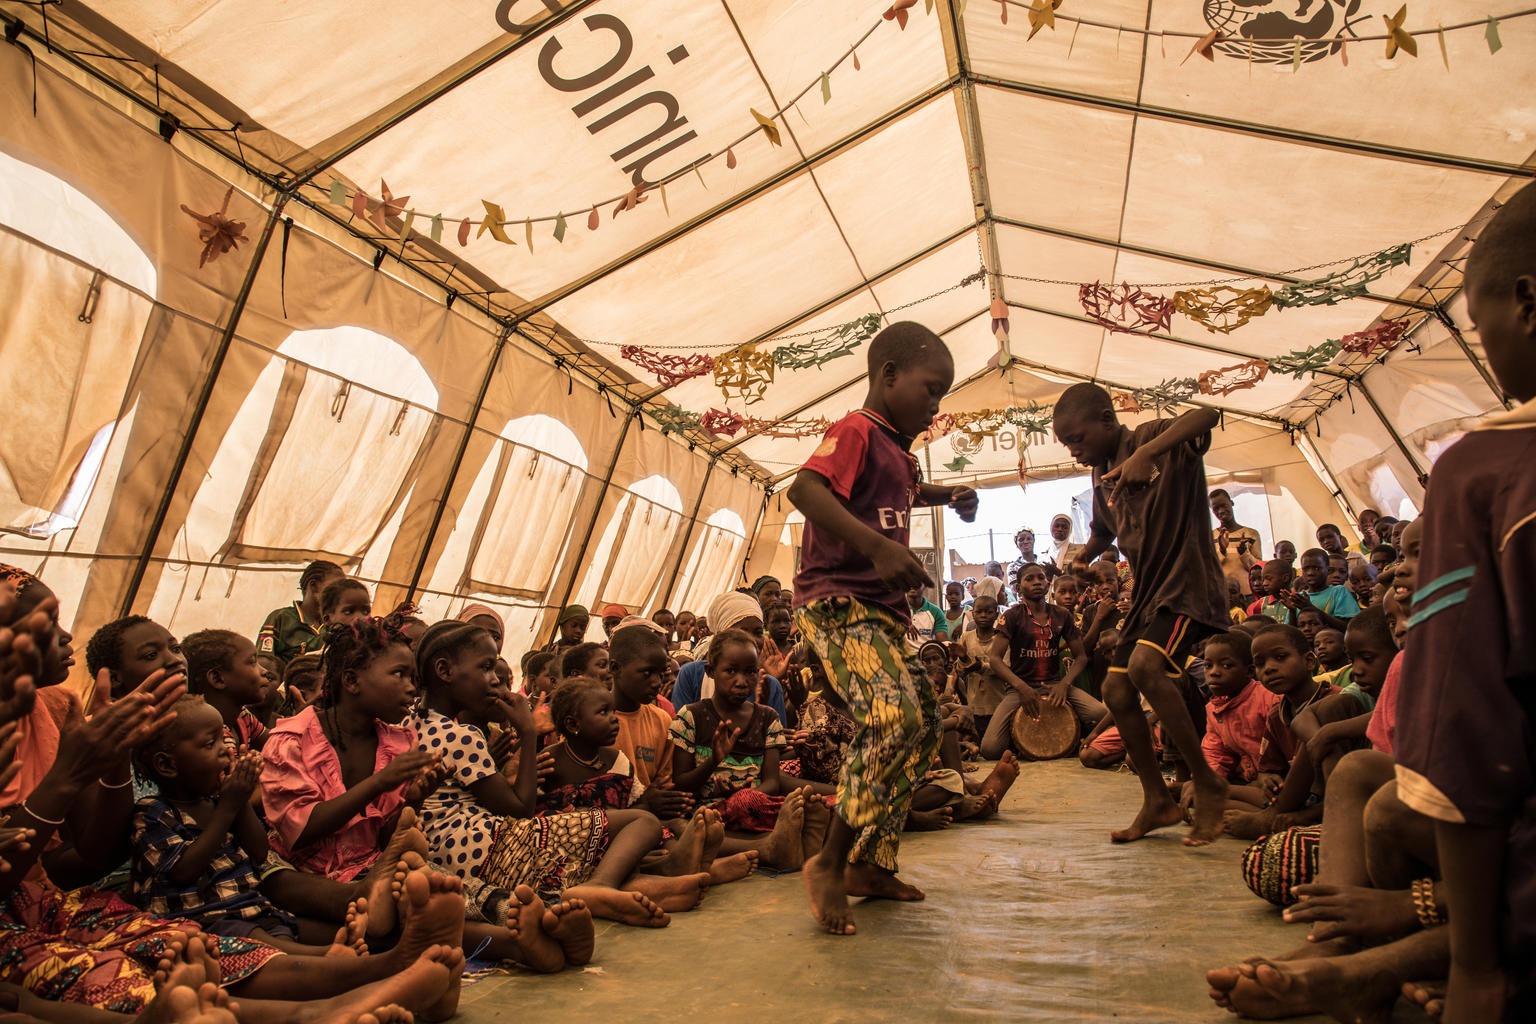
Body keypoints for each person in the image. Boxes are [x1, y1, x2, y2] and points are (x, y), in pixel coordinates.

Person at [1391, 179, 1536, 1024]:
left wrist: (1478, 967)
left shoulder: (1487, 470)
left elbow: (1461, 731)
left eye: (1480, 332)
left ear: (1526, 301)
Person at [788, 321, 978, 935]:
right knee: (893, 717)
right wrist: (875, 548)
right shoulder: (855, 430)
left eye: (942, 394)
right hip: (839, 602)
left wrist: (950, 495)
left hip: (881, 614)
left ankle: (872, 862)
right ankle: (831, 861)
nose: (935, 405)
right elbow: (806, 489)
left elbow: (901, 491)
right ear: (888, 375)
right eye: (930, 389)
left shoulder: (898, 451)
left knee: (923, 725)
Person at [411, 620, 688, 930]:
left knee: (607, 847)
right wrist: (527, 731)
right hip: (485, 852)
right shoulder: (460, 735)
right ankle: (602, 887)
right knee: (642, 822)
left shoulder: (416, 725)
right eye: (486, 668)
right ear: (445, 671)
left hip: (449, 854)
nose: (494, 682)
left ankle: (643, 884)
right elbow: (521, 810)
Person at [1049, 381, 1230, 845]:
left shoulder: (1155, 439)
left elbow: (1206, 415)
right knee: (1115, 686)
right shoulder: (1099, 474)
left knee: (1147, 667)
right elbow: (1105, 531)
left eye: (1078, 439)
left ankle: (1204, 779)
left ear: (1108, 421)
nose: (1074, 451)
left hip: (1187, 586)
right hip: (1149, 596)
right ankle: (1157, 800)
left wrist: (1149, 452)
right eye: (1067, 444)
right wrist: (1083, 558)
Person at [130, 695, 342, 954]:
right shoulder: (153, 812)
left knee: (322, 930)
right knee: (280, 947)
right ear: (167, 764)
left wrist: (239, 801)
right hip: (205, 922)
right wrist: (229, 806)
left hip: (253, 908)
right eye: (210, 743)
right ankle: (330, 960)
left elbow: (258, 851)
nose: (226, 750)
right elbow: (183, 871)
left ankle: (360, 943)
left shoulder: (218, 802)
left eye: (223, 739)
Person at [984, 563, 1105, 758]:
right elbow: (995, 659)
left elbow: (1081, 657)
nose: (1037, 582)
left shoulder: (1062, 615)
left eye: (1041, 578)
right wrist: (1021, 687)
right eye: (1029, 579)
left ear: (1048, 583)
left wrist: (1064, 684)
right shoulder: (1012, 616)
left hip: (1054, 684)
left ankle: (1079, 740)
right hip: (1020, 688)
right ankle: (1023, 743)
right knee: (990, 749)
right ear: (1018, 587)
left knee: (1100, 713)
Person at [669, 590, 788, 725]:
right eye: (741, 632)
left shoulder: (771, 685)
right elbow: (681, 733)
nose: (751, 640)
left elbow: (777, 738)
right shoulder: (691, 674)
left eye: (758, 632)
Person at [256, 560, 343, 665]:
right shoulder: (282, 618)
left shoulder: (335, 625)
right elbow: (264, 663)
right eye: (334, 588)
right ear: (313, 586)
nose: (340, 594)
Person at [1210, 489, 1262, 598]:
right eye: (1216, 509)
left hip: (1248, 595)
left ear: (1231, 503)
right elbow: (1208, 568)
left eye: (1224, 505)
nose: (1221, 511)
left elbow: (1258, 569)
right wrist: (1222, 551)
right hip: (1222, 596)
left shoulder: (1251, 534)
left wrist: (1244, 553)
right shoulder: (1210, 537)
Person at [1296, 547, 1361, 629]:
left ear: (1327, 570)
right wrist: (1291, 610)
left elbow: (1348, 627)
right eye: (1306, 569)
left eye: (1316, 568)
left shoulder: (1338, 592)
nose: (1310, 573)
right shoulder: (1299, 598)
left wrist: (1310, 608)